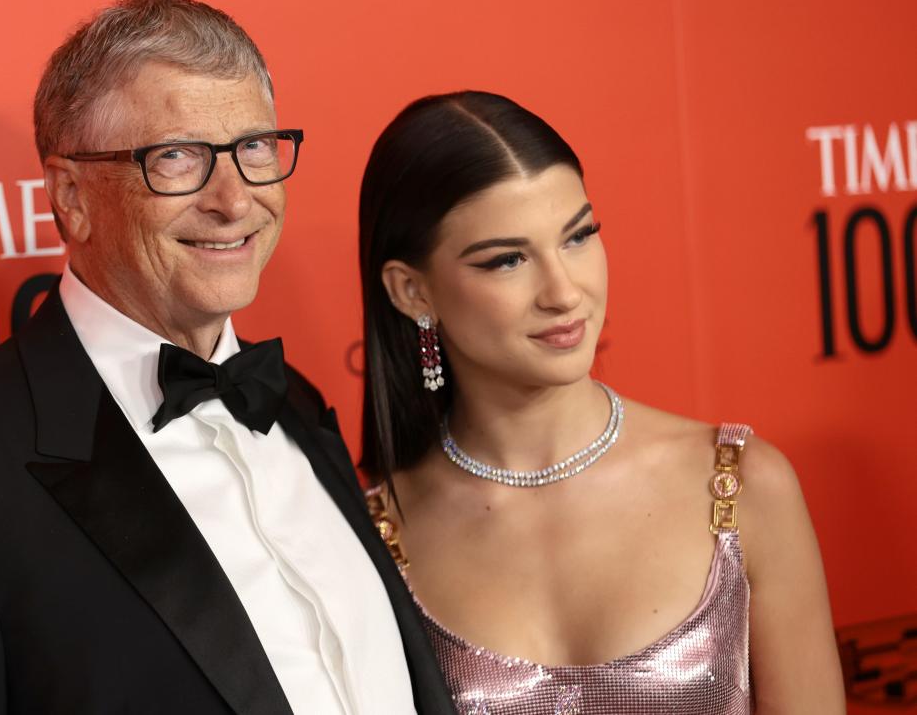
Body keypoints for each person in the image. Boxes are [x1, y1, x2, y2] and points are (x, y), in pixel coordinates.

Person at [0, 0, 454, 715]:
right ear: (71, 196)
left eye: (253, 147)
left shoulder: (299, 405)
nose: (235, 199)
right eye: (178, 157)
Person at [357, 91, 845, 713]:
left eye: (579, 236)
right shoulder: (376, 533)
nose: (564, 291)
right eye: (507, 260)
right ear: (411, 291)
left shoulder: (741, 482)